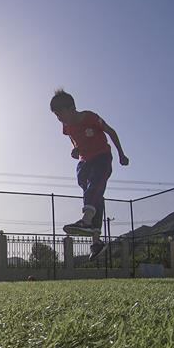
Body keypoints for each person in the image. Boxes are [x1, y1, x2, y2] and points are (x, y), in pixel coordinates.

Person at [49, 89, 128, 260]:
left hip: (102, 156)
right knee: (92, 193)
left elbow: (111, 131)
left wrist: (121, 154)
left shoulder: (90, 117)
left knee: (95, 184)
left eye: (60, 114)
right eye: (56, 116)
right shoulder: (66, 127)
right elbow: (72, 137)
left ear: (71, 108)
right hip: (84, 161)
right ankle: (96, 241)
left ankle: (86, 221)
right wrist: (76, 148)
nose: (59, 119)